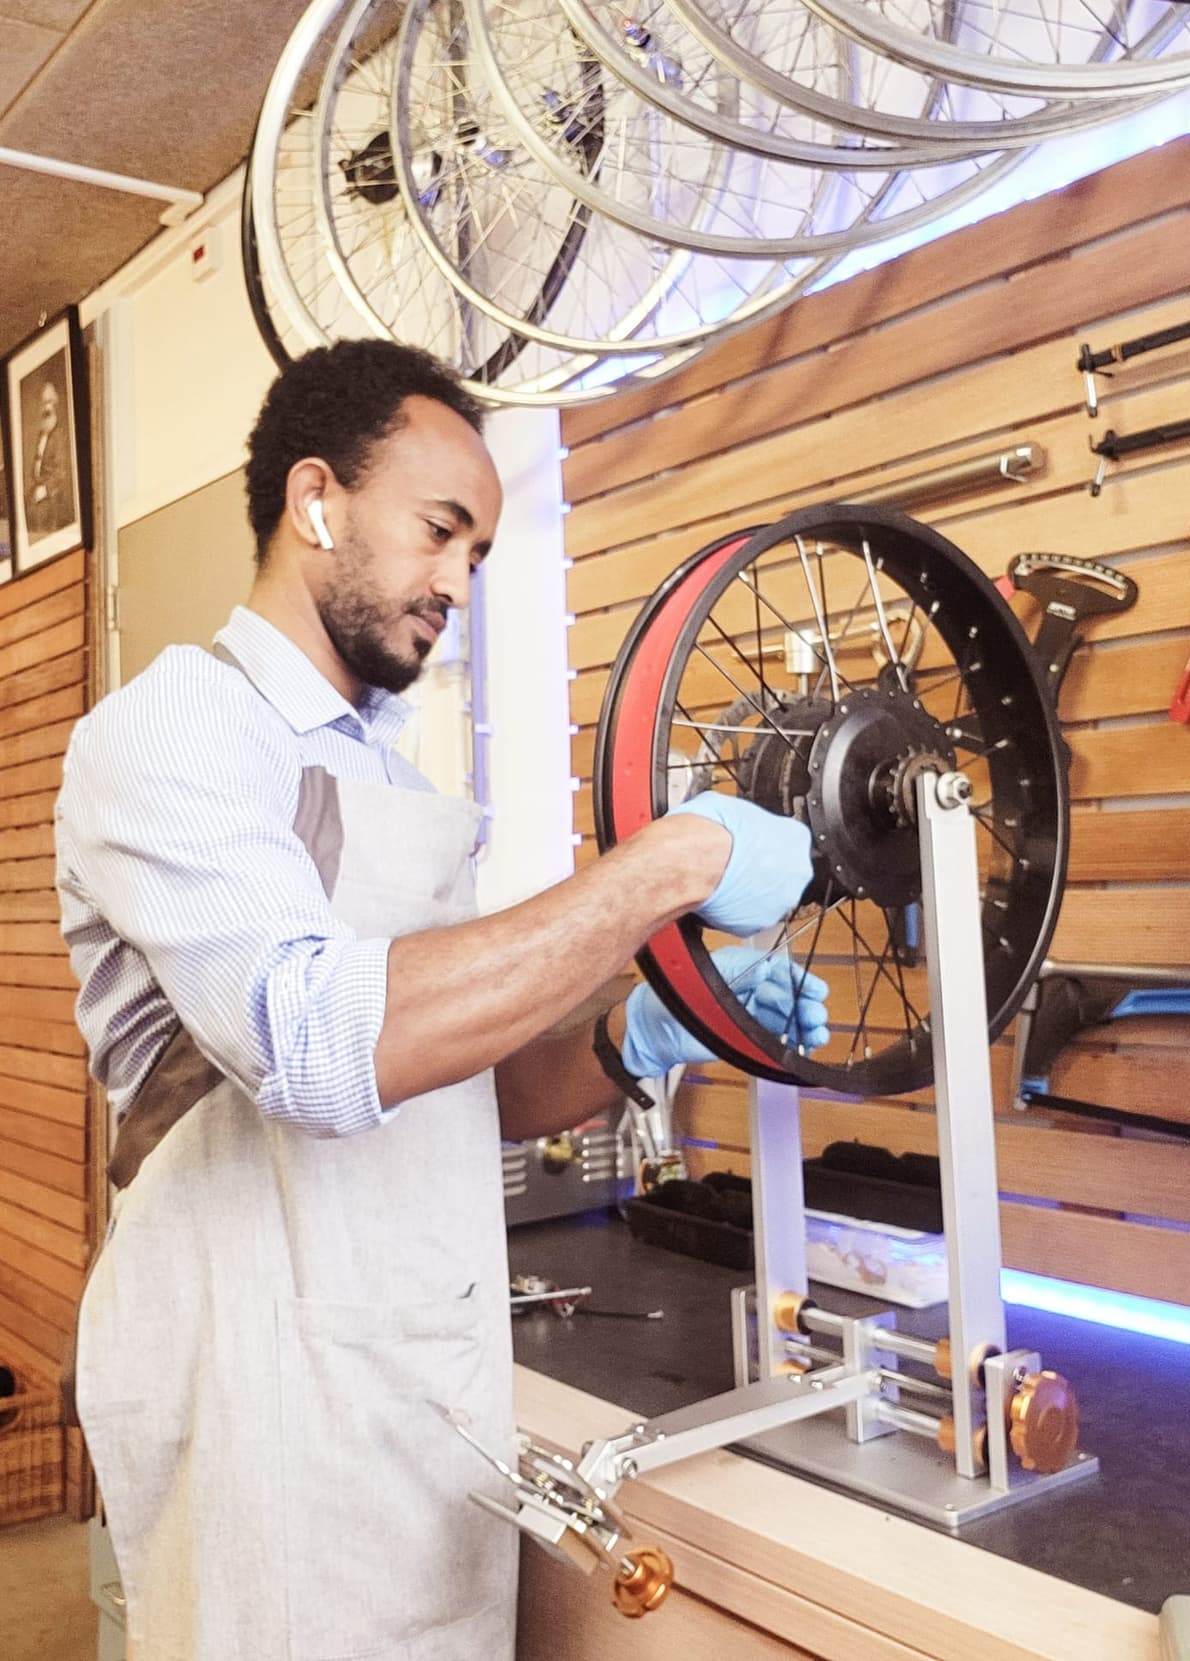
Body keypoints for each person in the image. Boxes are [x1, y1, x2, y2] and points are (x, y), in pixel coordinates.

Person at [55, 339, 828, 1661]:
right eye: (439, 532)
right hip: (258, 1399)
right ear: (316, 500)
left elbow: (486, 1087)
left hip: (418, 1395)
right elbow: (316, 1039)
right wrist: (669, 863)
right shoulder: (174, 731)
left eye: (478, 553)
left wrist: (649, 1026)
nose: (458, 583)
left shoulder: (399, 788)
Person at [24, 377, 73, 538]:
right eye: (44, 402)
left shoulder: (59, 435)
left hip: (53, 496)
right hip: (38, 491)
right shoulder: (41, 434)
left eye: (50, 401)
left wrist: (45, 490)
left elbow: (61, 472)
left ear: (56, 403)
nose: (47, 407)